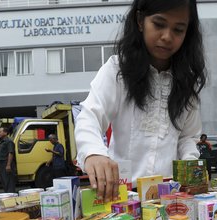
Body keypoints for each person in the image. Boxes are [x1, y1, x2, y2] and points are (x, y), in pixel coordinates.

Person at [75, 0, 206, 202]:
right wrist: (94, 153)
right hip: (122, 195)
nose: (167, 36)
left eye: (178, 29)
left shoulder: (186, 83)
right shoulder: (118, 70)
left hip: (170, 196)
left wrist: (190, 165)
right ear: (139, 20)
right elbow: (89, 116)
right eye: (159, 24)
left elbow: (187, 137)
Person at [0, 127, 17, 193]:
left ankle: (11, 198)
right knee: (4, 182)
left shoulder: (9, 142)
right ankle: (8, 197)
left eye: (0, 132)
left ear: (5, 133)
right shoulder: (2, 142)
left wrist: (8, 165)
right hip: (2, 164)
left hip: (6, 163)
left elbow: (10, 153)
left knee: (9, 182)